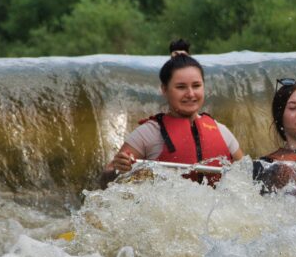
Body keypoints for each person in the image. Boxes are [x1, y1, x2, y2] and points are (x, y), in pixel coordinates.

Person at [100, 39, 244, 188]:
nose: (190, 94)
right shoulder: (147, 134)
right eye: (181, 87)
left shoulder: (222, 132)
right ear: (164, 89)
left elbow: (249, 178)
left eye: (196, 86)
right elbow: (106, 180)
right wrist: (118, 169)